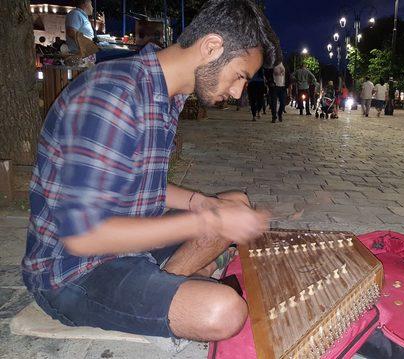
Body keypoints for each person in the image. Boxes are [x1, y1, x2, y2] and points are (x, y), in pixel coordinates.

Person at [22, 0, 278, 349]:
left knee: (235, 204)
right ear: (212, 47)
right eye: (239, 76)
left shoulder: (163, 95)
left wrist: (202, 203)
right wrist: (206, 222)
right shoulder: (113, 96)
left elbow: (141, 182)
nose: (237, 92)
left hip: (130, 240)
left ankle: (157, 291)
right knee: (224, 312)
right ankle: (161, 293)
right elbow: (83, 238)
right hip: (73, 271)